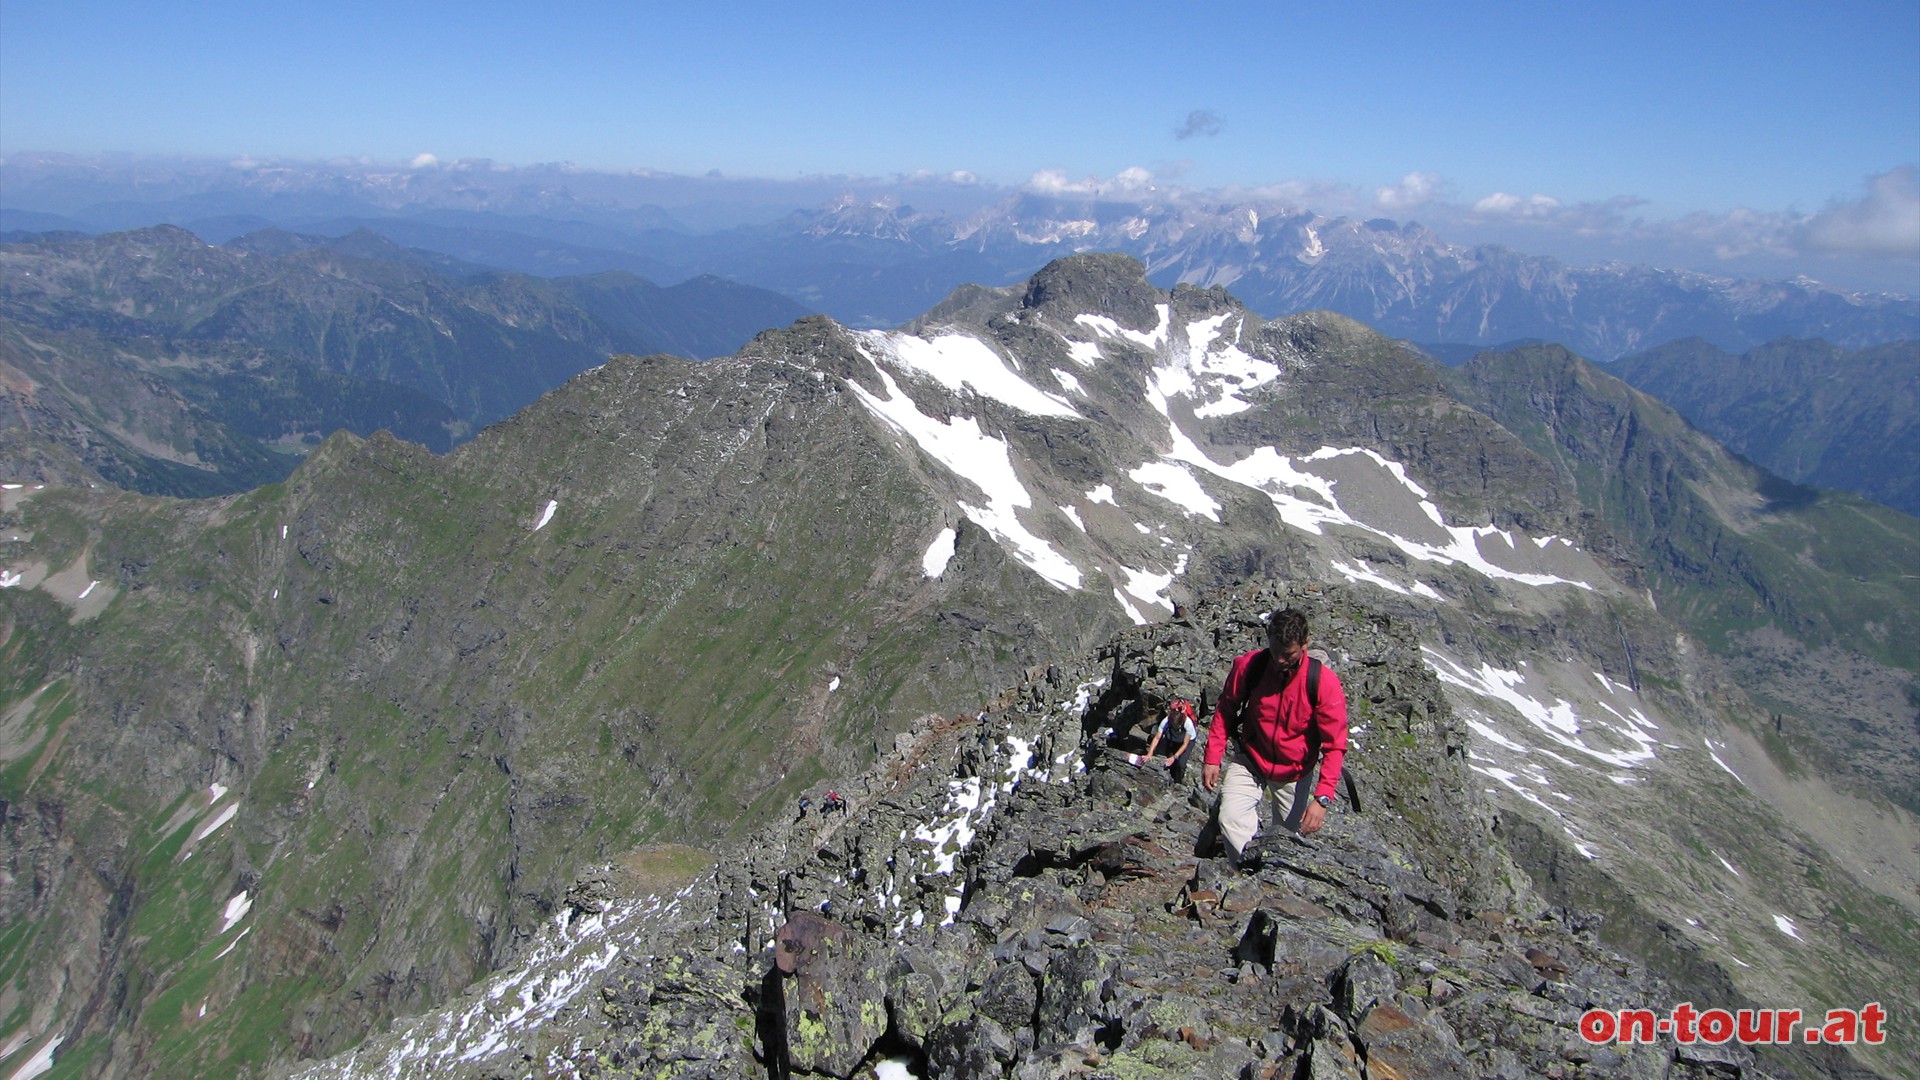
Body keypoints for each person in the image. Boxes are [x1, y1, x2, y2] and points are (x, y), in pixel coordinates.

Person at [1202, 608, 1349, 870]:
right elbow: (1226, 708)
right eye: (1275, 651)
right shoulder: (1250, 666)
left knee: (1287, 838)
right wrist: (1212, 757)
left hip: (1294, 772)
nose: (1280, 660)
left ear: (1305, 644)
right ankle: (1251, 873)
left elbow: (1335, 746)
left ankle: (1267, 875)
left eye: (1289, 654)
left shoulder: (1323, 682)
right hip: (1251, 758)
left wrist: (1322, 799)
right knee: (1230, 818)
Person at [1137, 698, 1197, 770]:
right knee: (1164, 759)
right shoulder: (1166, 721)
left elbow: (1185, 744)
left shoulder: (1188, 723)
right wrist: (1149, 753)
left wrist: (1174, 757)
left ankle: (1178, 779)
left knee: (1181, 765)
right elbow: (1157, 738)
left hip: (1187, 740)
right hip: (1173, 738)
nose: (1175, 726)